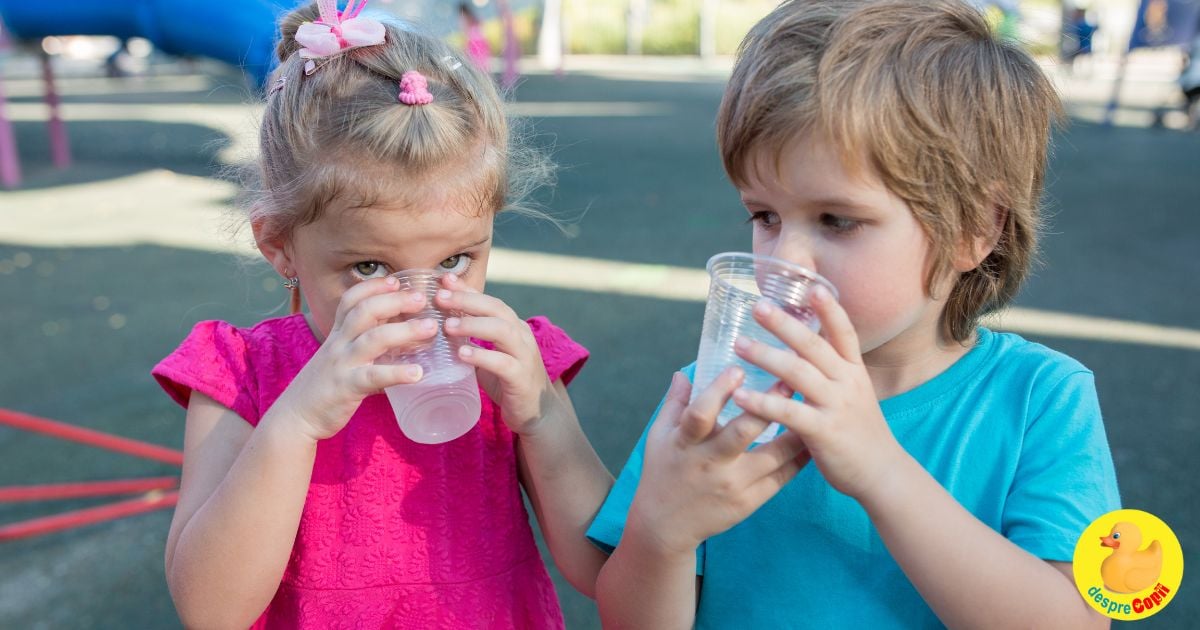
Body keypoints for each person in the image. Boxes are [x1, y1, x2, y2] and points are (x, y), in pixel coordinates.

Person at [588, 0, 1120, 627]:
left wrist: (881, 470)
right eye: (765, 216)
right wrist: (661, 533)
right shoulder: (725, 394)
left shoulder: (1038, 399)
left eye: (838, 221)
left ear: (975, 228)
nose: (786, 262)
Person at [151, 2, 611, 627]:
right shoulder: (242, 374)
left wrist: (541, 416)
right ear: (279, 245)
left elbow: (603, 571)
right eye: (369, 268)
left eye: (456, 258)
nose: (420, 299)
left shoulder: (512, 364)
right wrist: (298, 419)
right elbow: (210, 609)